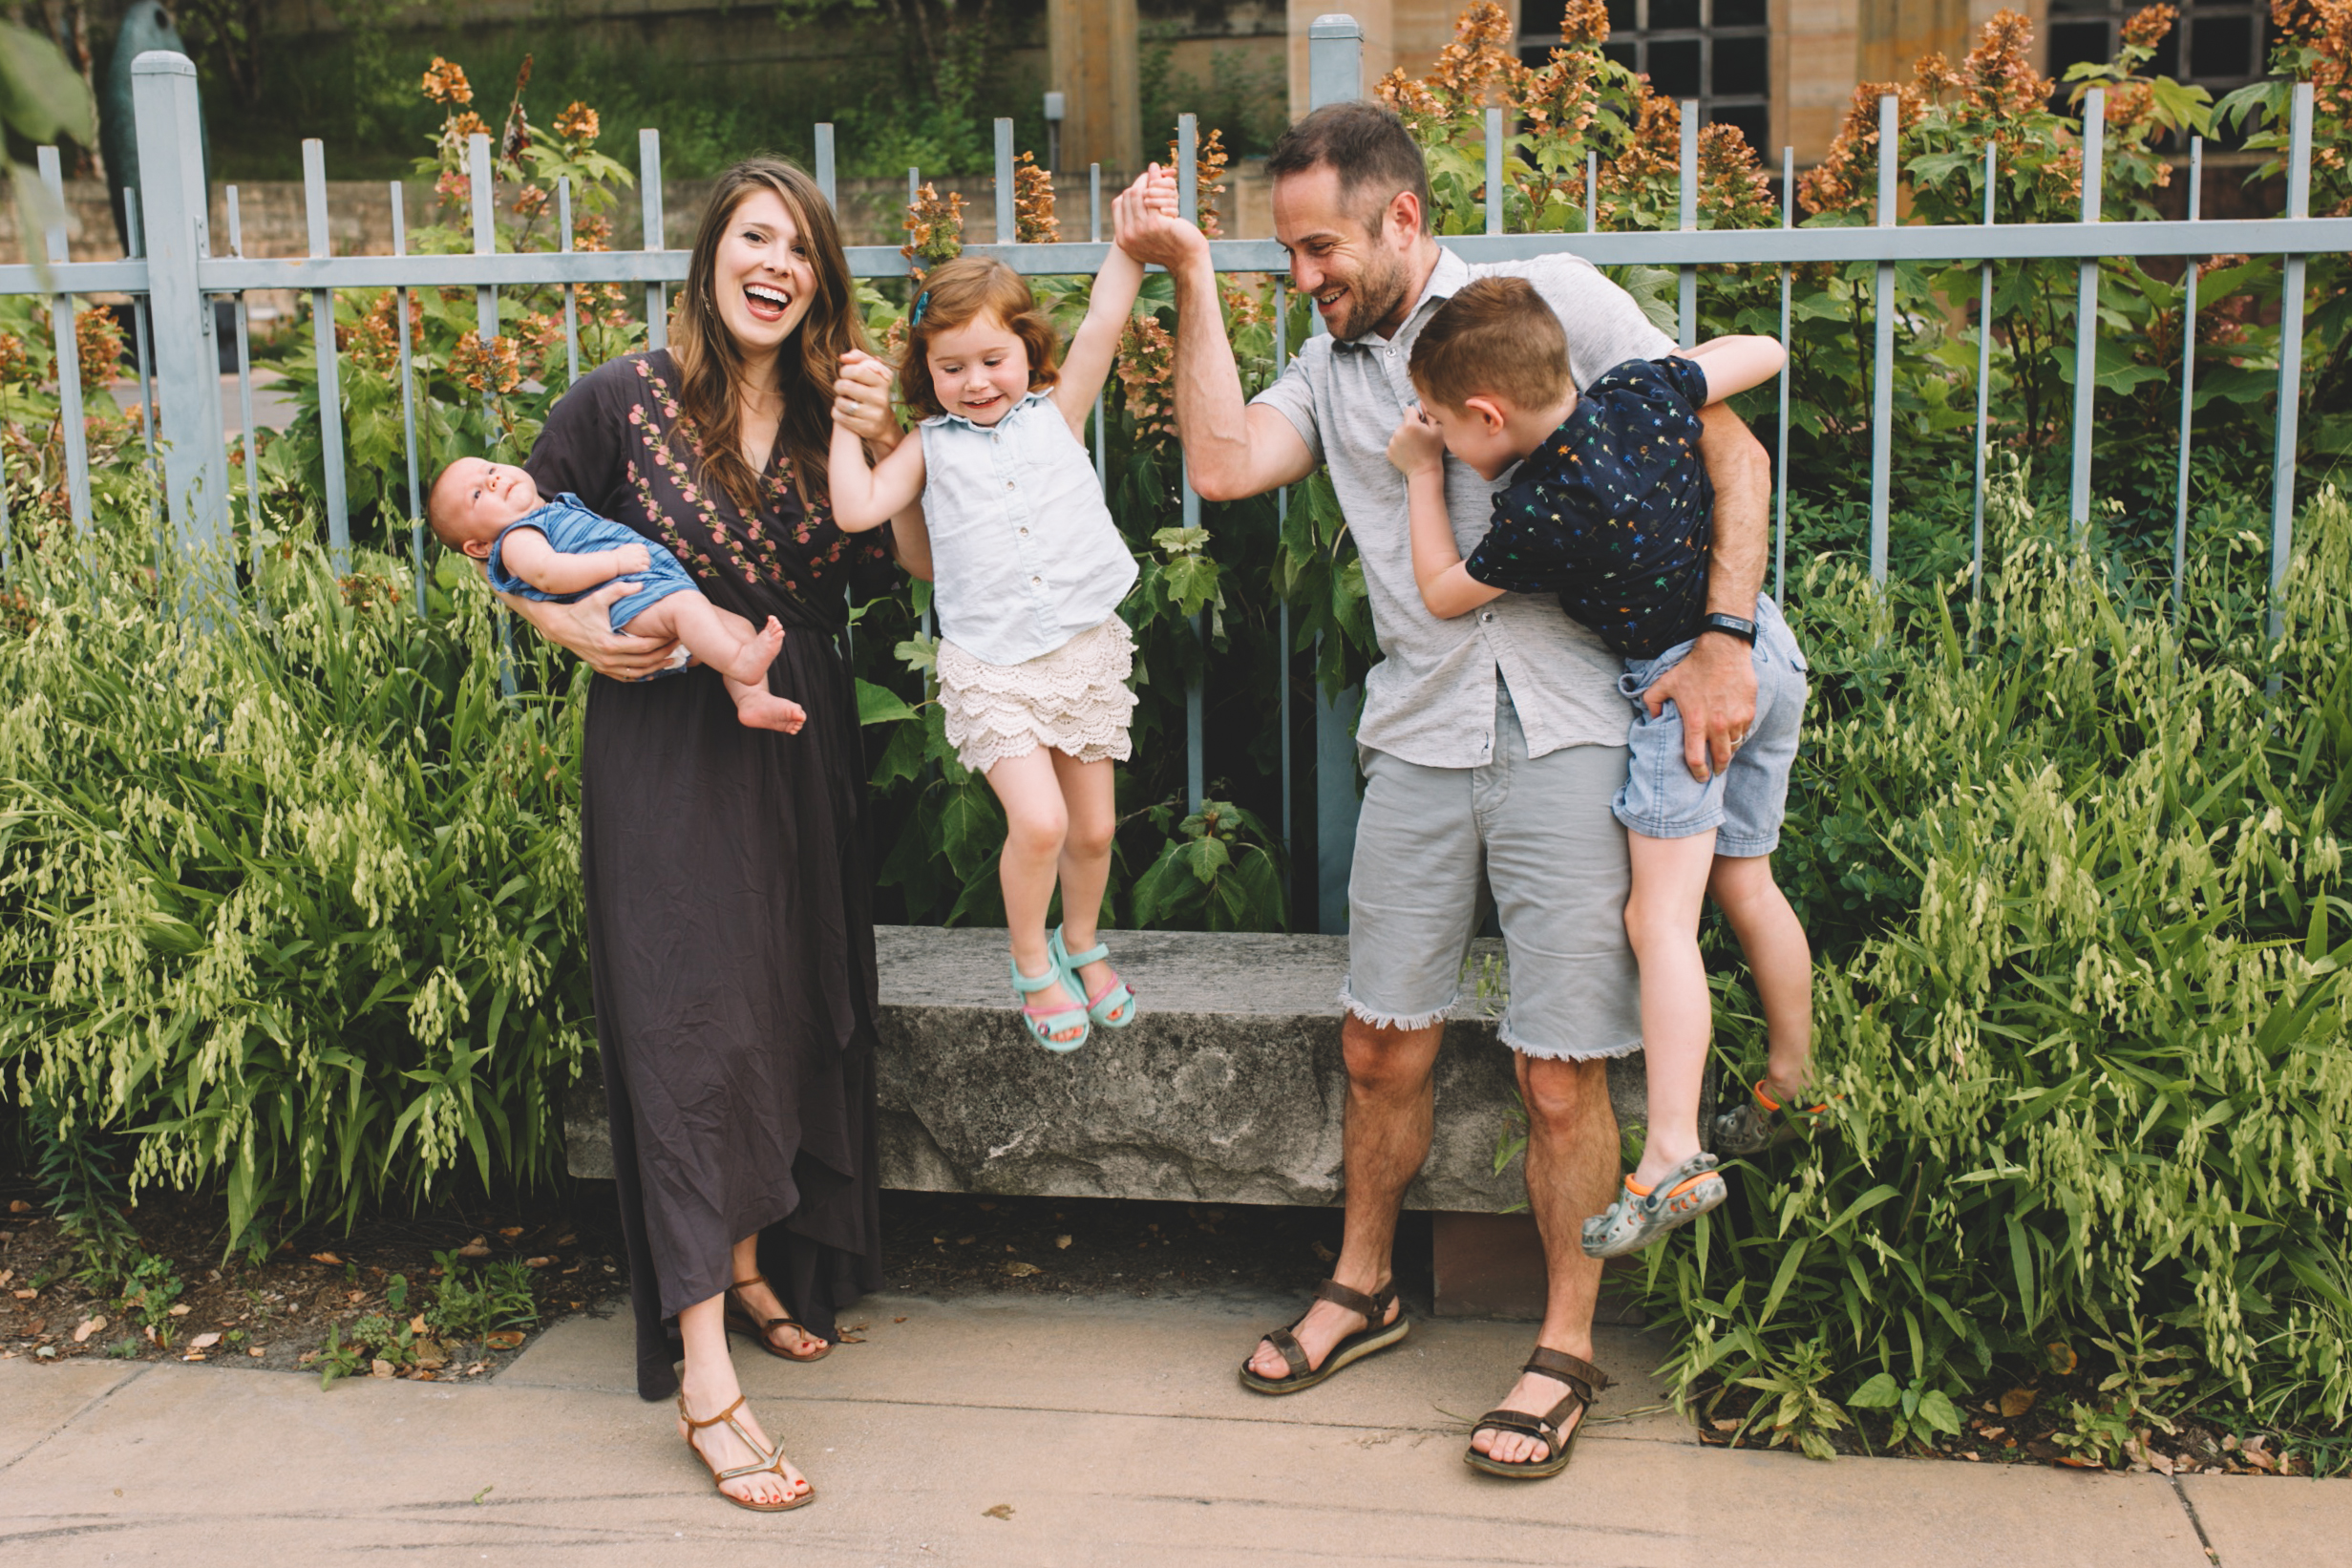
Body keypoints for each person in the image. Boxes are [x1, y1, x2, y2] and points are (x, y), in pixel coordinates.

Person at [1111, 100, 1771, 1481]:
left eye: (1320, 247)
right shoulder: (1329, 363)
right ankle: (1364, 1286)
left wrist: (1720, 638)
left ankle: (1565, 1342)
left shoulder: (1555, 306)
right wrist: (1183, 275)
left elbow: (1727, 446)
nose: (1305, 276)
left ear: (1399, 216)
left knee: (1554, 1067)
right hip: (1415, 734)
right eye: (1286, 255)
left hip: (1580, 724)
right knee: (1377, 1042)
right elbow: (1224, 463)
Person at [494, 156, 929, 1513]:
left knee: (781, 1010)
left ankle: (746, 1261)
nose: (777, 264)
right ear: (709, 254)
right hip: (665, 741)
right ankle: (702, 1373)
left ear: (820, 282)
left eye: (800, 248)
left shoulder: (827, 411)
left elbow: (906, 561)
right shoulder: (620, 397)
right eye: (755, 236)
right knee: (690, 1023)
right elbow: (502, 529)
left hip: (795, 741)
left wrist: (899, 432)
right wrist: (571, 624)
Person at [1385, 276, 1814, 1259]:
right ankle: (1795, 1075)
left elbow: (1445, 591)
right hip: (1762, 650)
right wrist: (1692, 374)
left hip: (1680, 692)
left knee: (1654, 917)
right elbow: (1763, 351)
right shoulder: (1637, 394)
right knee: (1746, 879)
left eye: (1450, 429)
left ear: (1488, 415)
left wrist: (1416, 476)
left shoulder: (1538, 510)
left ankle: (1671, 1147)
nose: (1446, 442)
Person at [828, 253, 1143, 1052]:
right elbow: (856, 505)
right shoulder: (928, 448)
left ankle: (1081, 943)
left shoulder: (1056, 410)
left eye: (992, 360)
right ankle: (1031, 961)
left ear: (1028, 351)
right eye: (950, 366)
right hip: (991, 664)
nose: (975, 381)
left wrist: (1129, 246)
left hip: (1077, 648)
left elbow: (1104, 319)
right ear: (924, 369)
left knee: (1094, 830)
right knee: (1038, 823)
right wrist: (849, 429)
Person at [426, 456, 806, 733]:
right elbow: (548, 574)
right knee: (687, 609)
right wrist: (614, 561)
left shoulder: (552, 510)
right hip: (622, 605)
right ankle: (741, 665)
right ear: (477, 547)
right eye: (477, 494)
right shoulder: (516, 539)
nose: (492, 481)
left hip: (646, 593)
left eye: (490, 470)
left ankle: (751, 698)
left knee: (736, 624)